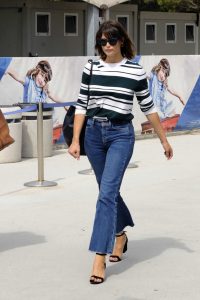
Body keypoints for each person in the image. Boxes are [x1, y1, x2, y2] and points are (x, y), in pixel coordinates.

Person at [68, 20, 173, 284]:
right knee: (108, 191)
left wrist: (163, 140)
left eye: (111, 40)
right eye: (102, 41)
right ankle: (119, 235)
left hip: (120, 136)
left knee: (106, 195)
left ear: (121, 41)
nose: (107, 45)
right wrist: (75, 141)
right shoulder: (91, 67)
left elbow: (149, 108)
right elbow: (81, 104)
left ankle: (99, 256)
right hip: (92, 135)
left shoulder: (135, 72)